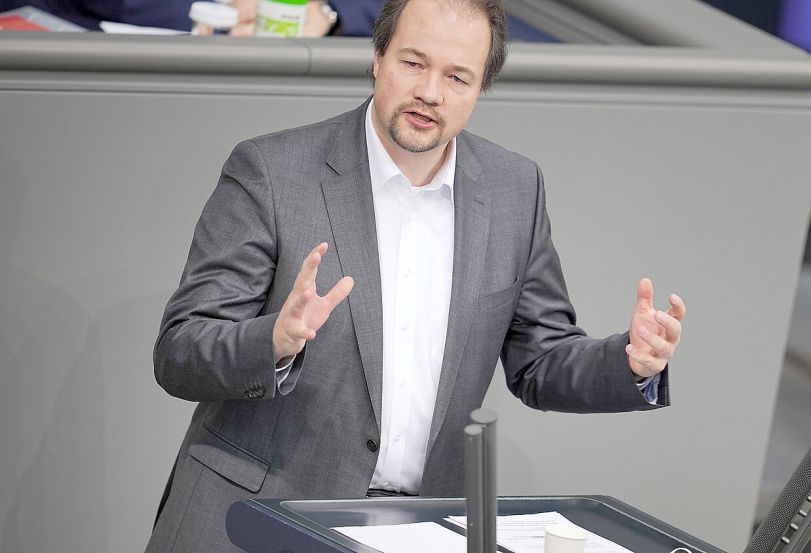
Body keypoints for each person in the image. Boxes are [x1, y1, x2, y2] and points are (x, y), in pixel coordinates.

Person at [147, 0, 686, 551]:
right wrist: (274, 341)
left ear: (480, 89)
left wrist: (629, 361)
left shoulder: (514, 189)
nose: (431, 92)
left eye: (457, 76)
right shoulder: (272, 172)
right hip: (257, 519)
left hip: (419, 532)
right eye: (413, 63)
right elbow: (179, 352)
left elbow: (541, 360)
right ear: (377, 57)